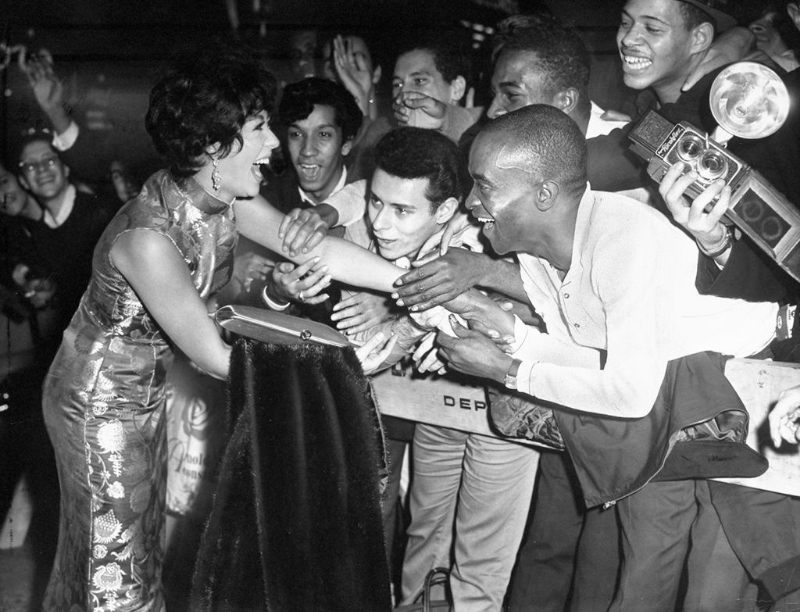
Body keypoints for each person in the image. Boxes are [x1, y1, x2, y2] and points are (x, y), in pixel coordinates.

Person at [40, 40, 405, 610]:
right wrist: (325, 371)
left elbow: (316, 251)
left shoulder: (224, 199)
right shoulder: (148, 237)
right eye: (259, 128)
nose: (273, 144)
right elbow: (212, 354)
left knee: (133, 546)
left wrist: (414, 284)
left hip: (147, 390)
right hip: (98, 401)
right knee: (114, 561)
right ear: (213, 145)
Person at [432, 104, 779, 612]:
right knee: (646, 572)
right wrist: (512, 337)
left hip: (735, 393)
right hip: (669, 395)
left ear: (544, 195)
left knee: (709, 581)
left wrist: (509, 368)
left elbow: (629, 393)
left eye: (484, 186)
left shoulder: (623, 238)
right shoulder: (535, 248)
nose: (469, 202)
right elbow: (591, 358)